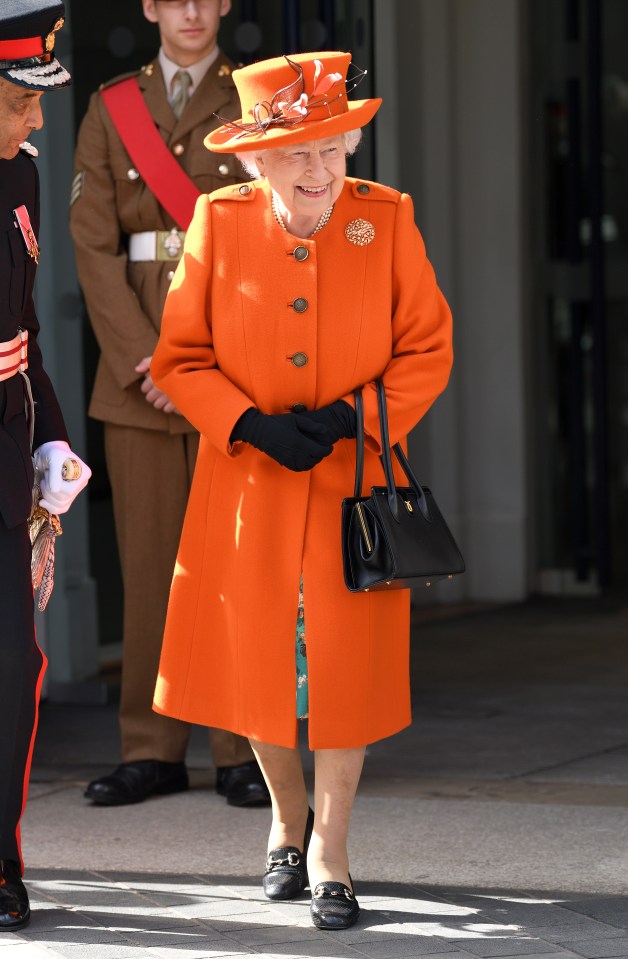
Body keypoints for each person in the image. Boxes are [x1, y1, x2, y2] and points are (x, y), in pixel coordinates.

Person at [150, 51, 454, 930]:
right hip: (248, 483)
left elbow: (426, 348)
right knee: (263, 666)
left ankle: (333, 849)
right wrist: (246, 423)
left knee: (343, 671)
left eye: (335, 149)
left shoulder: (386, 219)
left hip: (353, 484)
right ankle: (287, 820)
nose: (321, 170)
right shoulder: (218, 220)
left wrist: (358, 418)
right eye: (298, 154)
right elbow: (182, 357)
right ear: (254, 159)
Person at [69, 0, 269, 808]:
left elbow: (268, 229)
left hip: (231, 357)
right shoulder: (111, 105)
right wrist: (145, 357)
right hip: (139, 367)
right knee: (151, 566)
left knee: (233, 565)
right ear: (150, 6)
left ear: (224, 4)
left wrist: (199, 361)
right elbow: (91, 241)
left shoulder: (255, 96)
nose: (190, 11)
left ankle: (238, 750)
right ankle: (150, 748)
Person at [0, 0, 91, 931]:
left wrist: (51, 438)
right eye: (21, 100)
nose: (37, 119)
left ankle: (1, 863)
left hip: (4, 451)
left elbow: (23, 328)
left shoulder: (20, 177)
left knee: (10, 664)